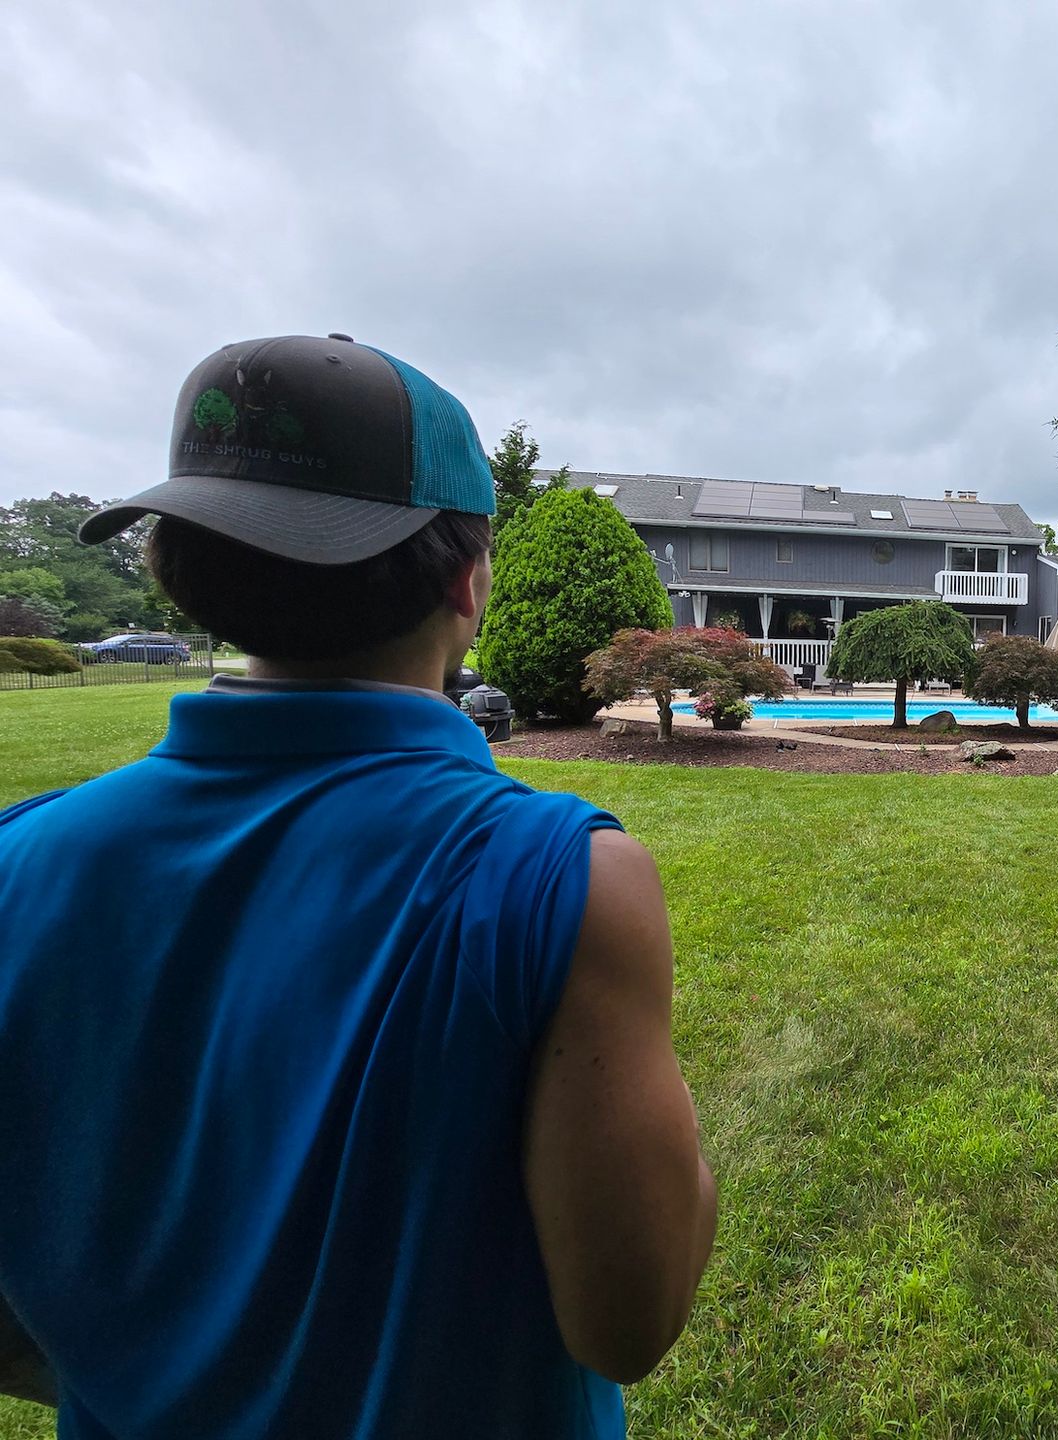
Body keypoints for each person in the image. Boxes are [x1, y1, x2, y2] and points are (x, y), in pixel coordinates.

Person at [0, 335, 716, 1438]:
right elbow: (628, 1325)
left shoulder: (17, 863)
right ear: (469, 581)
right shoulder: (562, 878)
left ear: (175, 565)